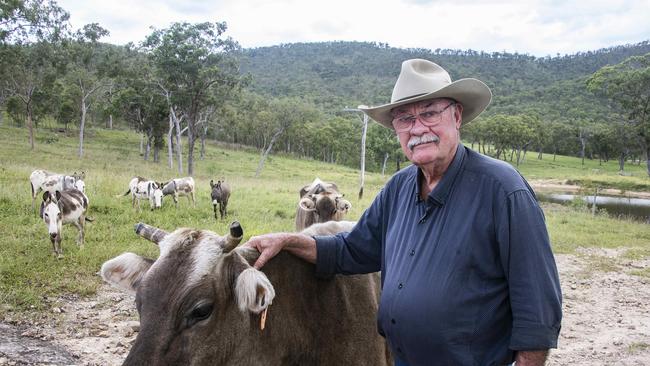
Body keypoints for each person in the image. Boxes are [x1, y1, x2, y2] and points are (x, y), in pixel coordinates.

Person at [245, 59, 562, 366]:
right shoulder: (398, 187)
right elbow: (352, 250)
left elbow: (537, 305)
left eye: (429, 113)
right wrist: (289, 241)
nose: (418, 128)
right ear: (396, 129)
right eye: (405, 119)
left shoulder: (503, 190)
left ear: (457, 116)